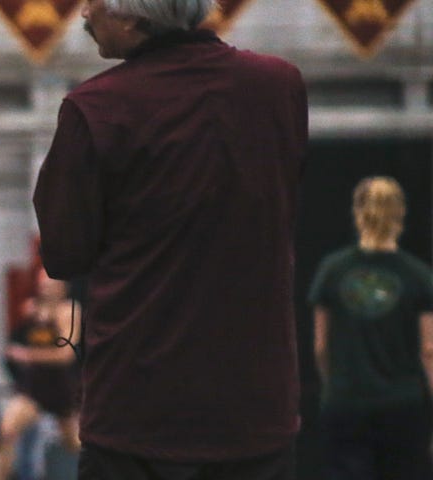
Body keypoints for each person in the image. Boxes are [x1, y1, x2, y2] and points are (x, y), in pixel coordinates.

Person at [32, 0, 308, 477]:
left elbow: (63, 252)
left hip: (138, 416)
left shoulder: (94, 108)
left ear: (130, 17)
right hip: (256, 411)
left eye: (90, 3)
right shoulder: (280, 86)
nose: (81, 14)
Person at [310, 177, 433, 479]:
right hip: (403, 405)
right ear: (399, 213)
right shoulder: (419, 275)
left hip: (346, 402)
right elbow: (429, 351)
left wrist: (335, 387)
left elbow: (321, 346)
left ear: (357, 212)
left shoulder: (332, 270)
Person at [0, 270, 81, 479]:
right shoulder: (34, 310)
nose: (44, 287)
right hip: (34, 387)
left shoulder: (68, 311)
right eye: (41, 284)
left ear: (61, 287)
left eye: (49, 283)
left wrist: (28, 355)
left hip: (60, 386)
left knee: (75, 443)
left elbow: (66, 355)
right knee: (7, 430)